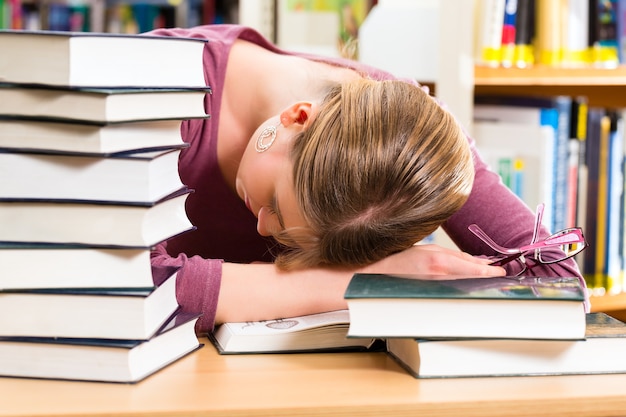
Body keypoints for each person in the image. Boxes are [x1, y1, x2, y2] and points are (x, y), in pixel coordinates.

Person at [147, 24, 586, 335]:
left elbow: (557, 280)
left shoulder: (404, 132)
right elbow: (125, 289)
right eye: (277, 204)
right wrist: (366, 278)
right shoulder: (153, 89)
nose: (261, 226)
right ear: (298, 117)